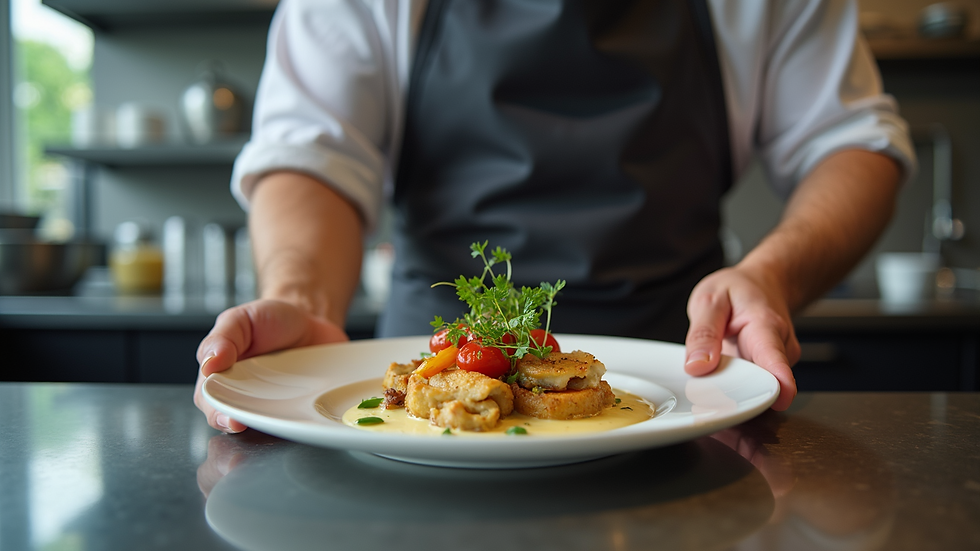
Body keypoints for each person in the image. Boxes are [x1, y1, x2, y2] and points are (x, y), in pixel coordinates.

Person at [194, 0, 914, 433]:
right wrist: (300, 302)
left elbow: (850, 145)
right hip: (431, 396)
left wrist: (770, 274)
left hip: (689, 389)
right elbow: (310, 156)